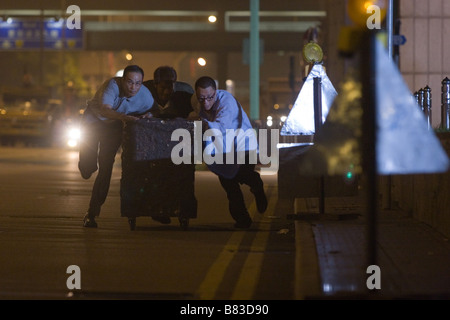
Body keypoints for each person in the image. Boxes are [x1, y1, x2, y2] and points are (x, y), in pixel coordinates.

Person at [79, 65, 154, 228]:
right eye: (129, 82)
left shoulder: (146, 98)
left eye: (137, 83)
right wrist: (124, 117)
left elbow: (152, 113)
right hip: (94, 121)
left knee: (106, 166)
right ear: (122, 80)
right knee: (87, 168)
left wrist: (146, 116)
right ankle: (86, 165)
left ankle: (92, 212)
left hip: (114, 127)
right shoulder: (111, 86)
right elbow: (106, 110)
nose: (133, 87)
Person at [194, 76, 268, 229]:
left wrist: (200, 122)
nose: (206, 102)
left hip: (244, 146)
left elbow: (221, 127)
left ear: (215, 92)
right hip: (224, 149)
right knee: (228, 183)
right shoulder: (197, 103)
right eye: (201, 99)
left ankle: (256, 184)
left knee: (244, 174)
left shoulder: (226, 102)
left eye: (209, 97)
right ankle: (242, 219)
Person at [140, 66, 198, 225]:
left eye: (170, 86)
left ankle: (177, 208)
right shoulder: (144, 93)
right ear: (156, 84)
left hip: (177, 143)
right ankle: (158, 209)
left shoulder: (184, 95)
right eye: (163, 87)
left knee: (180, 175)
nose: (167, 91)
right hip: (150, 143)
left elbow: (195, 114)